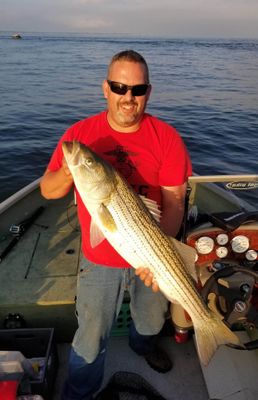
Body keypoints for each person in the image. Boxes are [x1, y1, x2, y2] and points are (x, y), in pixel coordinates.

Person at [40, 50, 192, 400]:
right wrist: (69, 169)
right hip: (99, 257)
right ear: (105, 88)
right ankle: (80, 392)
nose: (128, 97)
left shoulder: (167, 138)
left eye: (137, 90)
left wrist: (162, 254)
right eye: (120, 87)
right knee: (91, 333)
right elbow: (48, 191)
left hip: (151, 252)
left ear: (148, 93)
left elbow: (173, 202)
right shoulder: (81, 135)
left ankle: (143, 347)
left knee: (151, 320)